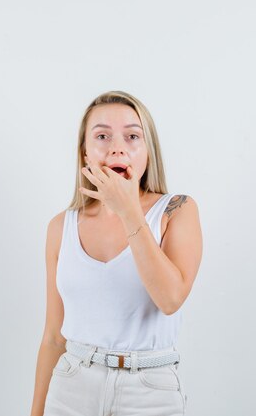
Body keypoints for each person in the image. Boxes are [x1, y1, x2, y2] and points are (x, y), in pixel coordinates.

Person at [29, 91, 203, 416]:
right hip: (71, 386)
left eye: (132, 135)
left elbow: (170, 298)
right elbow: (53, 337)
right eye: (102, 136)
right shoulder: (60, 227)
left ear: (148, 151)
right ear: (85, 153)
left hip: (150, 391)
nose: (117, 147)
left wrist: (129, 212)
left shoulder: (177, 210)